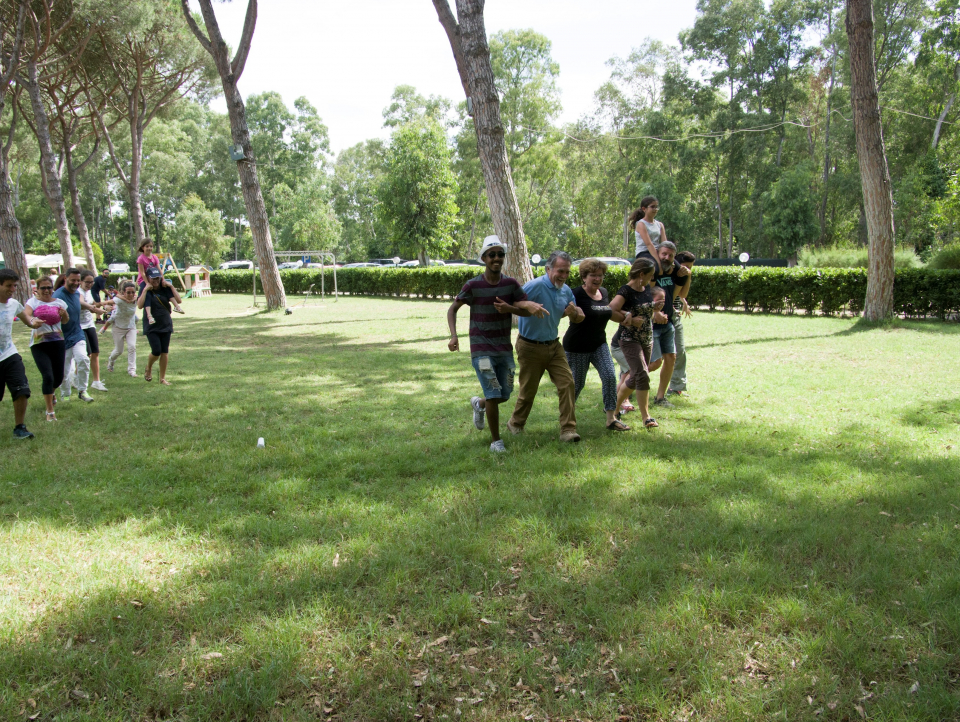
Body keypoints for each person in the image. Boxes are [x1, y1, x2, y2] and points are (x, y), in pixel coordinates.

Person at [447, 236, 548, 452]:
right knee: (493, 391)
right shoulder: (473, 285)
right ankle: (496, 442)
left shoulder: (510, 284)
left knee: (505, 392)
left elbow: (524, 311)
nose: (496, 258)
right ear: (484, 258)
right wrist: (454, 336)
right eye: (491, 254)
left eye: (500, 254)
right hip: (481, 348)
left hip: (504, 348)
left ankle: (480, 404)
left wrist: (510, 309)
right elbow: (452, 309)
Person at [507, 250, 585, 443]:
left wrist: (574, 313)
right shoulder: (535, 286)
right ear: (548, 269)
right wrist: (527, 304)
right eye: (560, 271)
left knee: (567, 383)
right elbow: (512, 301)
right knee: (528, 391)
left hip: (554, 346)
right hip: (530, 346)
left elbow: (578, 316)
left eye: (567, 272)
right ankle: (515, 423)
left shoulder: (566, 291)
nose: (564, 276)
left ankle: (568, 430)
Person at [562, 258, 630, 431]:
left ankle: (611, 419)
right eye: (593, 275)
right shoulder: (576, 293)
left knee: (609, 376)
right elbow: (564, 311)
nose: (597, 278)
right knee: (577, 385)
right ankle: (566, 419)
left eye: (600, 275)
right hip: (577, 346)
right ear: (584, 277)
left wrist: (626, 315)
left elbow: (608, 312)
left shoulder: (604, 293)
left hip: (599, 343)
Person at [609, 258, 665, 429]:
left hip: (646, 338)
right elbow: (611, 310)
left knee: (635, 377)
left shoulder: (646, 288)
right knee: (642, 375)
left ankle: (614, 410)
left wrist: (654, 308)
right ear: (641, 274)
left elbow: (642, 307)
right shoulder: (625, 291)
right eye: (650, 275)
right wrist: (630, 319)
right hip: (629, 338)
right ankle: (646, 417)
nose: (651, 278)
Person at [634, 241, 690, 408]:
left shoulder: (674, 273)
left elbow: (680, 294)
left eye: (670, 255)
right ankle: (626, 384)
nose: (666, 257)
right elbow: (643, 294)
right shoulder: (652, 273)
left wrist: (687, 275)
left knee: (671, 358)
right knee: (652, 363)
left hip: (668, 323)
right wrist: (654, 312)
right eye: (663, 254)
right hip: (651, 324)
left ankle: (660, 397)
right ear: (657, 254)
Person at [0, 269, 44, 439]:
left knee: (21, 389)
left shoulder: (14, 304)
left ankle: (20, 428)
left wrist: (34, 323)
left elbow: (27, 320)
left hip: (9, 353)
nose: (12, 289)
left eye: (15, 286)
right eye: (8, 286)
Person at [22, 275, 69, 421]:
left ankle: (51, 392)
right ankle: (50, 411)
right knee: (48, 376)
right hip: (39, 344)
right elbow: (26, 316)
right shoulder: (33, 302)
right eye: (43, 288)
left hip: (57, 342)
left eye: (49, 287)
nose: (47, 290)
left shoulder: (60, 302)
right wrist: (32, 320)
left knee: (58, 378)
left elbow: (65, 321)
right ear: (37, 289)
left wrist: (64, 314)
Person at [54, 268, 101, 403]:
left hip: (77, 333)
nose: (76, 283)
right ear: (66, 279)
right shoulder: (58, 295)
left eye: (78, 280)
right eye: (73, 280)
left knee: (83, 359)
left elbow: (81, 305)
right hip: (62, 336)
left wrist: (94, 308)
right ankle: (65, 394)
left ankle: (82, 391)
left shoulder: (76, 293)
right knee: (65, 368)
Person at [138, 267, 182, 385]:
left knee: (164, 351)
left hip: (165, 323)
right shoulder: (144, 286)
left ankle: (162, 378)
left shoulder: (164, 287)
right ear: (148, 278)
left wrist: (171, 286)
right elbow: (140, 305)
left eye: (158, 278)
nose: (156, 281)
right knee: (156, 350)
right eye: (153, 278)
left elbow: (179, 300)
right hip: (151, 324)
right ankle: (148, 367)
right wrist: (145, 290)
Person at [668, 251, 696, 398]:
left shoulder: (685, 275)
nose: (688, 269)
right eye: (685, 266)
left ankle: (676, 386)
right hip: (662, 316)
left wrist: (683, 302)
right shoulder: (668, 274)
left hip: (675, 317)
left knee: (680, 351)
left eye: (690, 267)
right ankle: (628, 384)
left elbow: (682, 294)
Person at [78, 270, 111, 392]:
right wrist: (95, 309)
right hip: (79, 326)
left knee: (95, 352)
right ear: (81, 281)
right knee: (86, 355)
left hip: (89, 324)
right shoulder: (79, 292)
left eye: (91, 282)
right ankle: (75, 377)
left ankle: (96, 381)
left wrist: (104, 306)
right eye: (87, 282)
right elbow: (81, 304)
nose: (90, 284)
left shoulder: (88, 292)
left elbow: (93, 304)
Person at [103, 281, 139, 377]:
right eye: (128, 292)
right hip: (118, 327)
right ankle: (111, 361)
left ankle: (132, 370)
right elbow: (109, 302)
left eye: (133, 292)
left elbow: (142, 297)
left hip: (131, 327)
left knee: (132, 347)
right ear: (123, 292)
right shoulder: (119, 300)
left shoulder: (136, 299)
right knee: (119, 351)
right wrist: (100, 305)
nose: (131, 294)